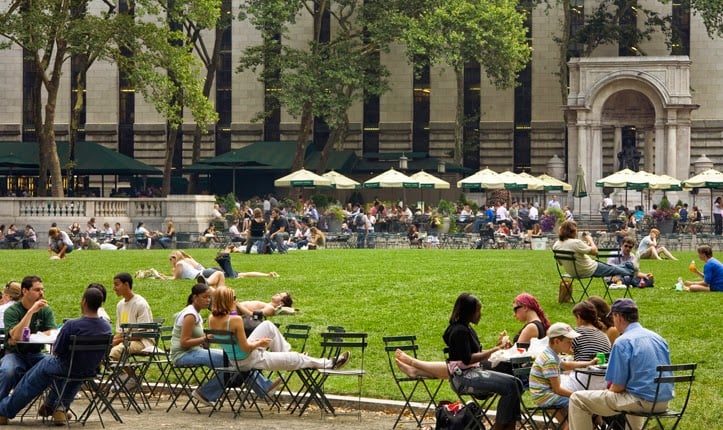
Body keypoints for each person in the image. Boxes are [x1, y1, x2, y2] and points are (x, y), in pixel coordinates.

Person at [0, 287, 112, 426]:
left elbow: (57, 350)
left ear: (83, 302)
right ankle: (59, 408)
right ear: (100, 304)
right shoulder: (106, 327)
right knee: (74, 371)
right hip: (90, 369)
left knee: (35, 377)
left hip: (65, 366)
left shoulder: (72, 325)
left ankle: (4, 410)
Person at [568, 299, 672, 430]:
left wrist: (606, 393)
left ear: (618, 316)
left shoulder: (623, 341)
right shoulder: (658, 338)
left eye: (612, 317)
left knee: (577, 399)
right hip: (662, 401)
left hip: (640, 401)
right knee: (632, 394)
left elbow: (617, 387)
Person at [208, 286, 350, 374]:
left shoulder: (211, 318)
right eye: (233, 298)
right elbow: (245, 347)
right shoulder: (235, 320)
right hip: (248, 359)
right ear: (228, 301)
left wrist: (256, 342)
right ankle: (329, 363)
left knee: (268, 325)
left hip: (234, 358)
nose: (235, 300)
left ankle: (285, 354)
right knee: (297, 358)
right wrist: (259, 343)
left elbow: (238, 343)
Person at [443, 293, 522, 430]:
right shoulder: (459, 331)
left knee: (517, 384)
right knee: (512, 385)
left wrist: (497, 349)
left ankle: (509, 426)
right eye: (478, 310)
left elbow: (475, 354)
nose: (480, 314)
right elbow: (467, 359)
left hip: (473, 372)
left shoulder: (466, 328)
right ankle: (500, 426)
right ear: (469, 312)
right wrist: (495, 349)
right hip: (464, 377)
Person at [529, 323, 599, 430]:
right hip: (546, 397)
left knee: (582, 408)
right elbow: (557, 389)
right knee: (584, 404)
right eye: (569, 342)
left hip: (543, 395)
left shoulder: (550, 354)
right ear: (557, 341)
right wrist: (577, 395)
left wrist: (588, 363)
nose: (571, 345)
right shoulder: (550, 360)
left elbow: (566, 365)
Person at [0, 275, 57, 400]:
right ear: (25, 291)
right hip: (15, 354)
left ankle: (53, 407)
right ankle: (1, 409)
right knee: (7, 371)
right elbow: (16, 335)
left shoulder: (46, 310)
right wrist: (31, 312)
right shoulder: (13, 311)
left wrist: (29, 335)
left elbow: (52, 332)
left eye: (42, 289)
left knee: (59, 368)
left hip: (36, 354)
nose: (41, 293)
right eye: (37, 290)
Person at [552, 220, 637, 279]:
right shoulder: (575, 243)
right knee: (613, 269)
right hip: (590, 269)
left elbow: (560, 264)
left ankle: (630, 265)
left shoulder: (556, 244)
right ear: (573, 232)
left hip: (572, 272)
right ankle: (634, 272)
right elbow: (595, 252)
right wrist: (590, 240)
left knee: (613, 267)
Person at [561, 302, 611, 392]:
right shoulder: (604, 335)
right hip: (602, 382)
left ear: (579, 317)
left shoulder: (577, 332)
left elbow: (564, 349)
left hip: (582, 380)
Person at [108, 272, 154, 361]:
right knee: (103, 348)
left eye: (117, 285)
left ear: (126, 284)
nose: (114, 288)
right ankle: (124, 374)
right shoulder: (120, 305)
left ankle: (128, 374)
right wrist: (111, 340)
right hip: (126, 340)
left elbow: (141, 334)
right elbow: (120, 332)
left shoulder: (140, 304)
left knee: (116, 351)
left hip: (143, 342)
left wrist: (118, 341)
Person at [162, 250, 227, 287]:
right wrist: (163, 276)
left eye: (171, 258)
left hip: (201, 274)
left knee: (224, 274)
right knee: (221, 275)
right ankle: (207, 283)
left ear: (175, 258)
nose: (170, 261)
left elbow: (175, 278)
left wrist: (163, 278)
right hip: (203, 273)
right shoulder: (181, 263)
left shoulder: (179, 264)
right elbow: (175, 277)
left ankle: (206, 283)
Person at [213, 247, 279, 279]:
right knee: (233, 276)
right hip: (214, 272)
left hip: (212, 272)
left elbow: (247, 274)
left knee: (232, 276)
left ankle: (225, 255)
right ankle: (225, 256)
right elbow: (247, 274)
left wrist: (267, 275)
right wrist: (266, 275)